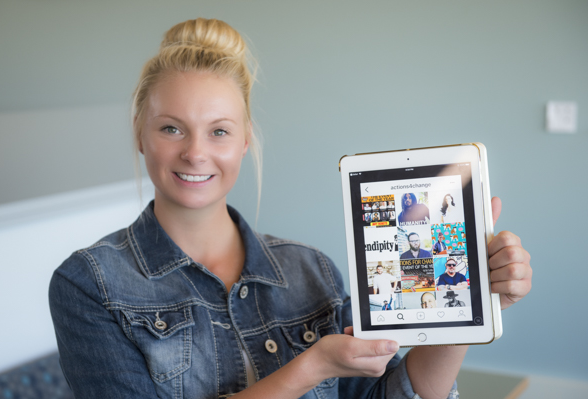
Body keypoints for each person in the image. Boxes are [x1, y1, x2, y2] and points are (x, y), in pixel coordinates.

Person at [49, 17, 533, 399]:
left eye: (219, 131)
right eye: (171, 128)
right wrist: (314, 365)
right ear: (139, 132)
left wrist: (471, 307)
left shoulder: (312, 270)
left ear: (244, 141)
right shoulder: (88, 285)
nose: (196, 153)